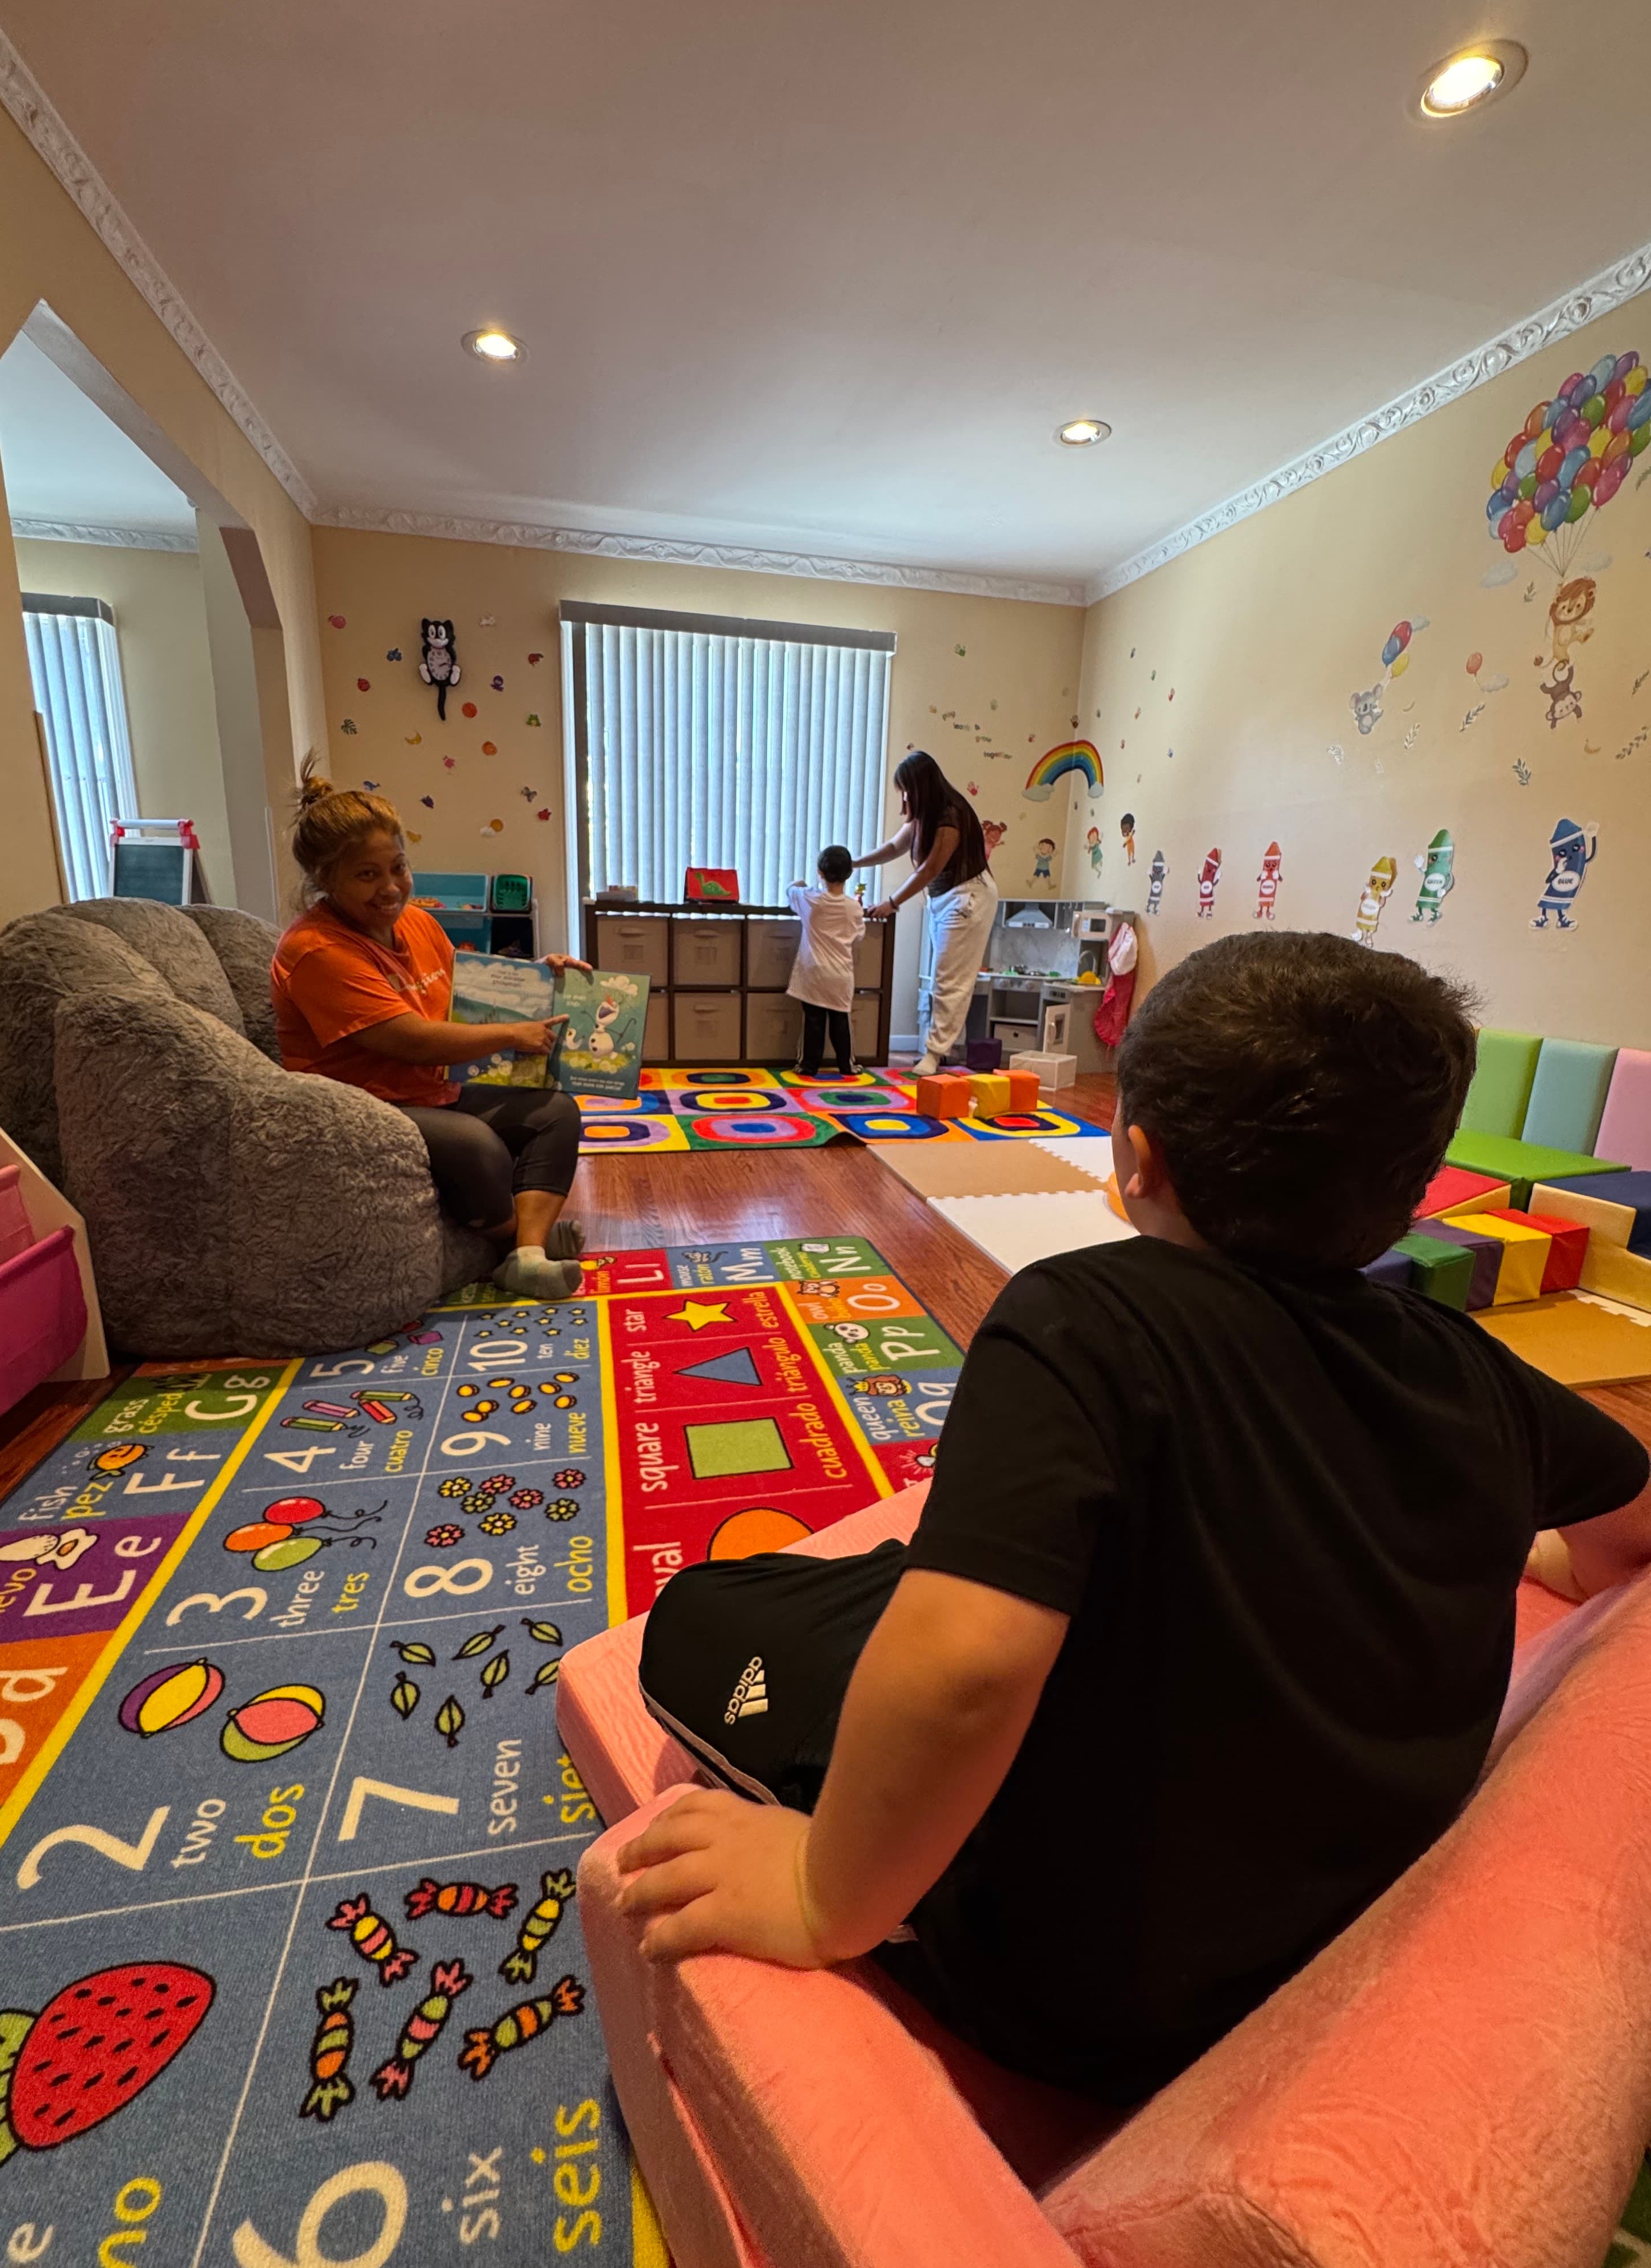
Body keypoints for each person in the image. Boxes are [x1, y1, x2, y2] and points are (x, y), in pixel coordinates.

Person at [618, 931, 1651, 2104]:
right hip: (1344, 1901)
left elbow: (966, 1672)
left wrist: (820, 1895)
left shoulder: (1081, 1317)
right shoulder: (1473, 1368)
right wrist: (1546, 1550)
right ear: (1416, 1193)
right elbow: (1632, 1528)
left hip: (1079, 1990)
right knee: (941, 1580)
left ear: (1136, 1158)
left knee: (705, 1610)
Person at [271, 770, 588, 1301]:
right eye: (367, 875)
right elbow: (412, 1039)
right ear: (326, 879)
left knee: (554, 1112)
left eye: (398, 868)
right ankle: (516, 1241)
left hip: (432, 1088)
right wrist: (515, 1033)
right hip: (363, 1106)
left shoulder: (417, 923)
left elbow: (462, 1002)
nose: (390, 887)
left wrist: (538, 977)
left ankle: (527, 1256)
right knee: (477, 1148)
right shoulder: (315, 951)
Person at [851, 752, 995, 1076]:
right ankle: (936, 1050)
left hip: (968, 897)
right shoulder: (924, 815)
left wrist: (893, 901)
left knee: (949, 980)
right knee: (941, 978)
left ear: (920, 787)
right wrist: (854, 863)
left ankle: (934, 1054)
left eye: (906, 789)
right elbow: (893, 848)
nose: (903, 796)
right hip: (946, 899)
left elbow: (930, 869)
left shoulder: (950, 815)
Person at [786, 846, 866, 1077]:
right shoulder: (853, 907)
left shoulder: (810, 899)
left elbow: (791, 890)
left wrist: (798, 883)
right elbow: (859, 936)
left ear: (820, 872)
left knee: (813, 1021)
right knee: (841, 1020)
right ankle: (847, 1066)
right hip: (841, 975)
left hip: (813, 973)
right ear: (849, 873)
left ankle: (808, 1066)